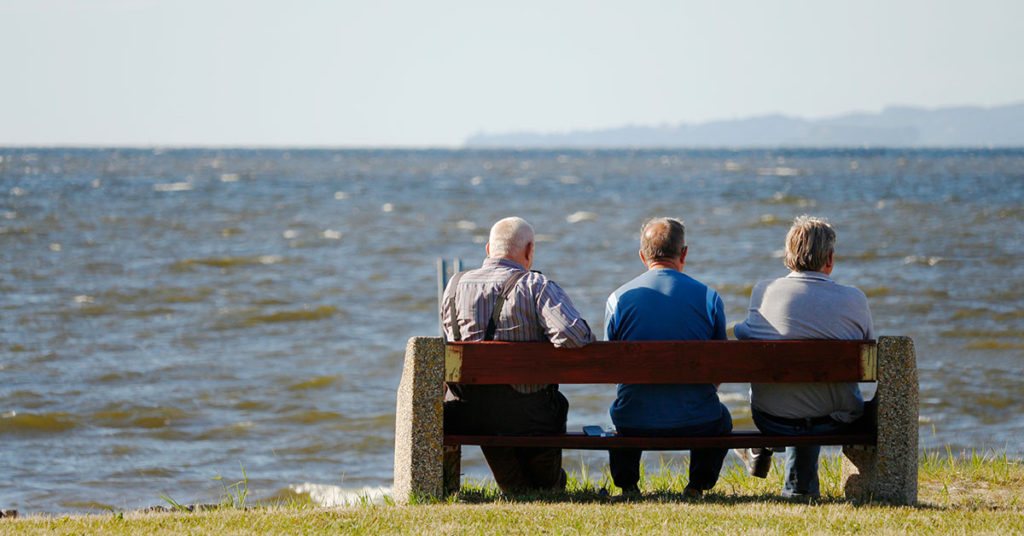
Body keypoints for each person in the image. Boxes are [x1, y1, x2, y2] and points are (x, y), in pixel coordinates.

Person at [441, 216, 594, 493]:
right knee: (545, 404)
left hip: (468, 413)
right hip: (529, 414)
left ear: (489, 249)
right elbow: (574, 337)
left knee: (493, 408)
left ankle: (517, 487)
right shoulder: (535, 285)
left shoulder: (454, 286)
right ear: (529, 250)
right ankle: (547, 485)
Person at [734, 215, 875, 498]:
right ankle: (797, 487)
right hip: (835, 420)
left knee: (798, 394)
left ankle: (793, 484)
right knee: (819, 397)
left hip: (772, 417)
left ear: (787, 255)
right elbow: (869, 357)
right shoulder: (854, 298)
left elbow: (743, 333)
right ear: (830, 258)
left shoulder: (764, 291)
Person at [604, 217, 732, 497]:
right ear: (684, 253)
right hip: (699, 420)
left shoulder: (618, 299)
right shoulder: (709, 298)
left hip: (634, 420)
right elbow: (720, 366)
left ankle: (628, 486)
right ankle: (697, 486)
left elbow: (612, 367)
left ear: (642, 256)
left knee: (622, 410)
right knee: (721, 417)